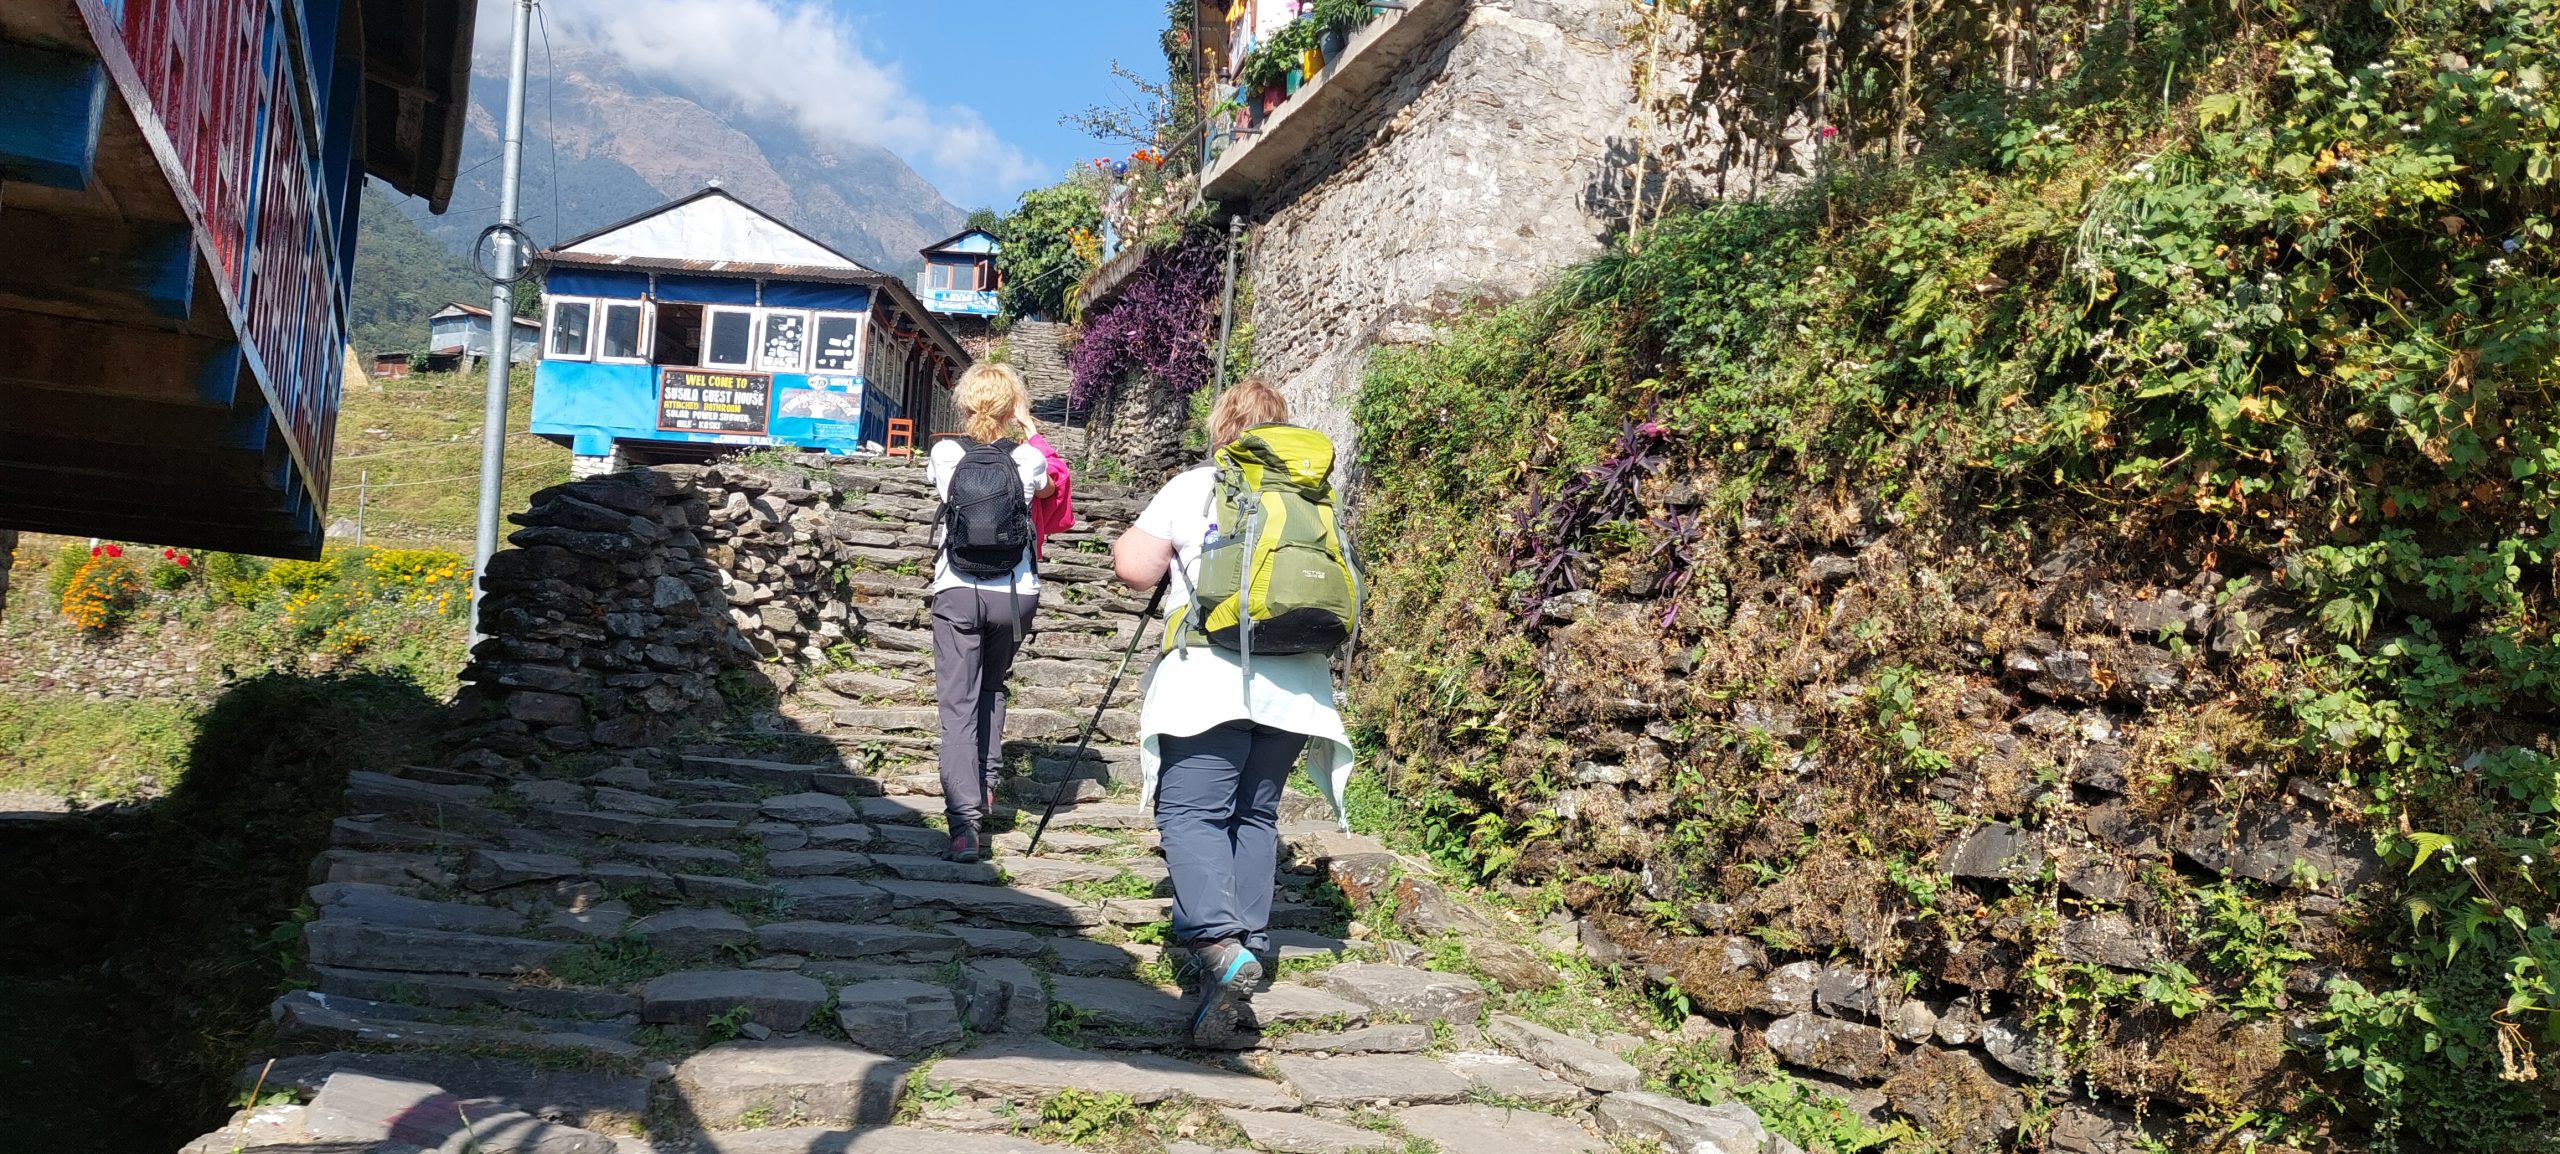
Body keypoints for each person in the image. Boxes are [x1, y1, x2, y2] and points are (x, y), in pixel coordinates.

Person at [1111, 378, 1355, 1042]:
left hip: (1211, 677)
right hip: (1296, 684)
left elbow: (1134, 567)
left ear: (1222, 428)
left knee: (1192, 811)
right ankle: (1248, 945)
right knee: (1254, 813)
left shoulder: (1199, 485)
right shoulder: (1312, 497)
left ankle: (1219, 947)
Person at [927, 362, 1056, 863]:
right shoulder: (1028, 458)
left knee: (957, 705)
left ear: (963, 404)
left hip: (957, 589)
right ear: (1010, 407)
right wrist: (1030, 427)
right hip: (1015, 592)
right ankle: (986, 782)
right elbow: (1049, 489)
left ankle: (965, 825)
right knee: (992, 686)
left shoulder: (945, 454)